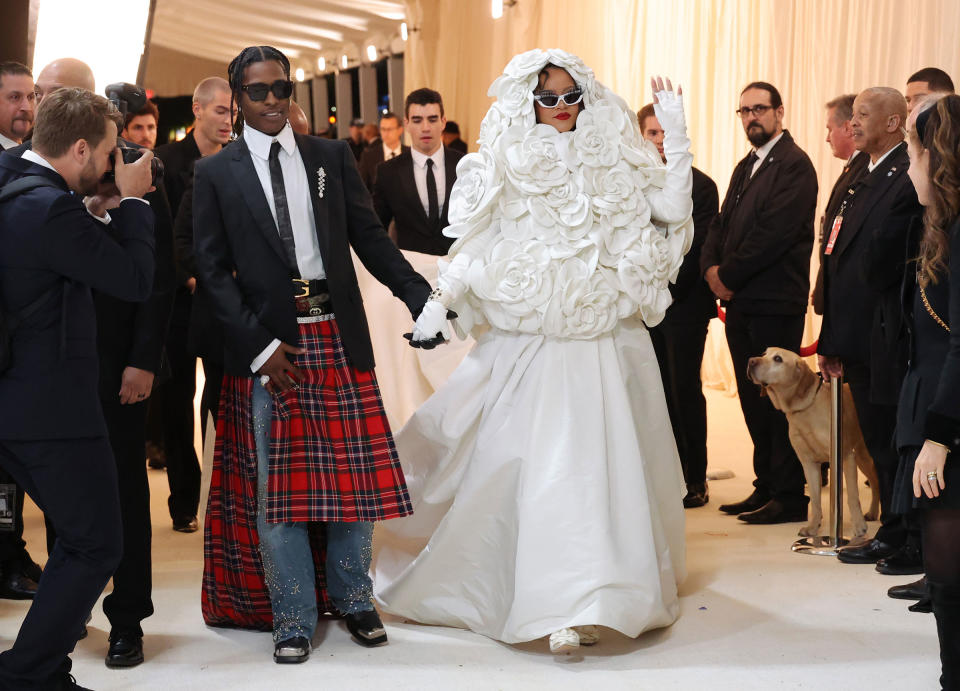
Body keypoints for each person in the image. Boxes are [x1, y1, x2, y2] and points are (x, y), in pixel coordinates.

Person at [375, 49, 693, 655]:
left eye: (571, 96)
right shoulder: (507, 159)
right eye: (548, 99)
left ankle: (596, 596)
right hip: (536, 344)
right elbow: (478, 239)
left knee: (603, 472)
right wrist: (441, 302)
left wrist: (675, 136)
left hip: (602, 341)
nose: (562, 108)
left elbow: (672, 209)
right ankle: (551, 602)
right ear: (528, 101)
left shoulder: (612, 154)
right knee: (543, 473)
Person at [194, 45, 432, 665]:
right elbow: (212, 272)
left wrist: (418, 294)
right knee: (282, 492)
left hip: (337, 333)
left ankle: (355, 600)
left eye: (280, 89)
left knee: (356, 481)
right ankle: (294, 616)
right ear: (236, 98)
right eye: (257, 92)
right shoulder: (216, 174)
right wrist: (259, 345)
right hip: (272, 345)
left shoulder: (328, 158)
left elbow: (370, 237)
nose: (272, 102)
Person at [0, 86, 156, 691]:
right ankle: (28, 673)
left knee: (80, 535)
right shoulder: (52, 210)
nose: (117, 162)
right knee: (96, 544)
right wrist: (136, 204)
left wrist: (92, 206)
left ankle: (41, 668)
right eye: (113, 151)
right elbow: (136, 279)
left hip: (15, 404)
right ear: (84, 147)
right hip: (53, 410)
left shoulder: (15, 185)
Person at [23, 57, 177, 666]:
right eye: (46, 95)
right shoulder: (42, 184)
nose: (50, 106)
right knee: (65, 499)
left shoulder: (135, 175)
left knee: (122, 495)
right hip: (61, 369)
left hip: (120, 366)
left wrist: (143, 361)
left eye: (64, 94)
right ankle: (72, 607)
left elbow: (157, 280)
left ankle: (128, 620)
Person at [816, 89, 924, 580]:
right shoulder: (863, 169)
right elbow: (835, 250)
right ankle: (894, 532)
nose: (852, 124)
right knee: (878, 440)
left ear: (894, 121)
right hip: (856, 329)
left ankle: (908, 536)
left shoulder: (905, 173)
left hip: (888, 330)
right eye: (853, 115)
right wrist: (831, 335)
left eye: (863, 115)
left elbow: (884, 259)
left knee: (893, 439)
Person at [700, 81, 818, 526]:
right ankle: (766, 484)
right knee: (754, 401)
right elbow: (719, 224)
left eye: (760, 109)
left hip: (774, 301)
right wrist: (710, 269)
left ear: (779, 112)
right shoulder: (746, 165)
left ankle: (790, 495)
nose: (752, 117)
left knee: (779, 404)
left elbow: (774, 235)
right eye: (745, 110)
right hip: (742, 302)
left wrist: (726, 276)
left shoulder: (795, 165)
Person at [893, 93, 960, 690]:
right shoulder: (947, 228)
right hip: (944, 406)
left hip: (952, 420)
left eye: (912, 155)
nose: (907, 169)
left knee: (948, 572)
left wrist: (937, 438)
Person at [153, 76, 234, 533]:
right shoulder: (166, 162)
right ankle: (184, 500)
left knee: (222, 399)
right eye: (221, 110)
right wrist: (186, 276)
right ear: (198, 109)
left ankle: (222, 496)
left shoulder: (237, 161)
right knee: (177, 401)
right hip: (178, 300)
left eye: (232, 112)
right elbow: (160, 237)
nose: (228, 119)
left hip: (222, 301)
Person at [638, 102, 719, 508]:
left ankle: (694, 478)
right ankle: (658, 474)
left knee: (683, 389)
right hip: (639, 306)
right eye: (652, 134)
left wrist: (659, 285)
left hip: (683, 303)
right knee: (648, 392)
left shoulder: (701, 186)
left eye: (665, 134)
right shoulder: (630, 185)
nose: (660, 143)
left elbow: (697, 249)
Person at [0, 61, 43, 603]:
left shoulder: (34, 162)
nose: (25, 107)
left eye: (30, 97)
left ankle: (10, 553)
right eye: (13, 97)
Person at [373, 88, 464, 255]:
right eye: (417, 120)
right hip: (411, 272)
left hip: (459, 268)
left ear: (443, 122)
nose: (425, 128)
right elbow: (376, 229)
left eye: (432, 119)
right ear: (406, 124)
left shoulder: (464, 166)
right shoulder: (388, 172)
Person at [812, 94, 869, 315]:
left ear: (847, 127)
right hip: (835, 288)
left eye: (829, 129)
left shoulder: (865, 169)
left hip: (848, 296)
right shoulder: (853, 168)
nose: (827, 138)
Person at [358, 112, 407, 191]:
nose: (386, 133)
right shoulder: (368, 156)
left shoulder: (411, 153)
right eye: (383, 129)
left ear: (400, 130)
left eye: (390, 129)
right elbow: (361, 187)